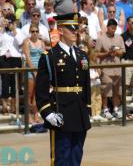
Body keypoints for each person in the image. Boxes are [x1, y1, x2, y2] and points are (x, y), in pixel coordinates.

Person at [35, 13, 91, 166]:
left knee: (76, 155)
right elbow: (40, 90)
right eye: (71, 29)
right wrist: (48, 112)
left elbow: (86, 84)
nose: (75, 32)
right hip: (61, 111)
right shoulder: (50, 56)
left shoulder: (82, 54)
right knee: (61, 157)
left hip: (79, 112)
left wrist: (88, 108)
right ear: (60, 31)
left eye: (76, 29)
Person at [96, 19, 125, 120]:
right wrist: (107, 53)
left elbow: (122, 51)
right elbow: (96, 53)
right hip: (106, 68)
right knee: (106, 90)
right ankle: (105, 109)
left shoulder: (119, 38)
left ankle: (116, 109)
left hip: (117, 67)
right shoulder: (101, 39)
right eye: (111, 28)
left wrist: (116, 52)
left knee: (117, 91)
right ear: (107, 27)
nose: (113, 30)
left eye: (115, 28)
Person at [22, 23, 45, 123]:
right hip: (31, 71)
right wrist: (34, 71)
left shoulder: (42, 42)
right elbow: (28, 58)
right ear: (30, 32)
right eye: (33, 31)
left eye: (36, 31)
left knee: (37, 94)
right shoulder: (27, 42)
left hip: (39, 70)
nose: (35, 33)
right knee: (29, 94)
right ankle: (28, 115)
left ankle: (36, 114)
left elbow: (44, 57)